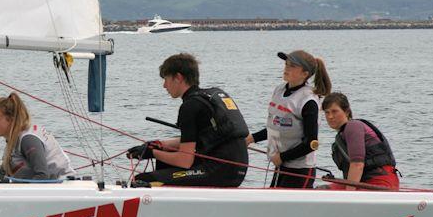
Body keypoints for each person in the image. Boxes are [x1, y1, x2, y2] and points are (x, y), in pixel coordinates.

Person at [127, 53, 248, 187]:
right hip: (236, 169)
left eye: (166, 79)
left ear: (178, 77)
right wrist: (159, 144)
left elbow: (184, 160)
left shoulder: (190, 106)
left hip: (219, 171)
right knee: (165, 159)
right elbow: (197, 139)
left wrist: (152, 153)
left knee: (143, 180)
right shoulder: (207, 97)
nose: (164, 86)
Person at [246, 50, 331, 188]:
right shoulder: (279, 90)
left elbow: (311, 143)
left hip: (300, 170)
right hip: (281, 166)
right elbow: (276, 127)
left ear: (305, 74)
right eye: (286, 64)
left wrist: (282, 157)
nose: (286, 68)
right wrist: (251, 139)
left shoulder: (308, 101)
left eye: (292, 66)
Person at [322, 92, 399, 190]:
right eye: (327, 112)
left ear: (346, 112)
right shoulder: (342, 134)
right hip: (364, 181)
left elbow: (357, 164)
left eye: (334, 111)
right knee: (321, 190)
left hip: (381, 181)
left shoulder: (353, 126)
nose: (330, 116)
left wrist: (349, 195)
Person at [0, 92, 75, 180]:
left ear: (11, 120)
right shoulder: (13, 141)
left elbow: (42, 175)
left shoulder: (28, 140)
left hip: (63, 186)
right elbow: (2, 172)